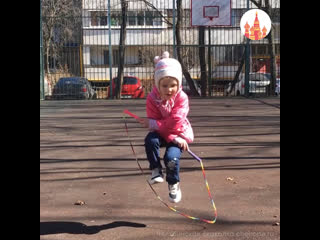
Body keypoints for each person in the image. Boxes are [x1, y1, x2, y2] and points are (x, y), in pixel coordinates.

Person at [138, 51, 194, 203]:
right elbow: (154, 121)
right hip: (164, 132)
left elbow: (174, 122)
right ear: (157, 84)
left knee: (171, 158)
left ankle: (173, 183)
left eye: (173, 85)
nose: (169, 89)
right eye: (164, 85)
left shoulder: (182, 98)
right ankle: (156, 170)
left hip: (178, 132)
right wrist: (153, 124)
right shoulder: (152, 98)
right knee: (150, 140)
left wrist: (175, 138)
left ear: (179, 84)